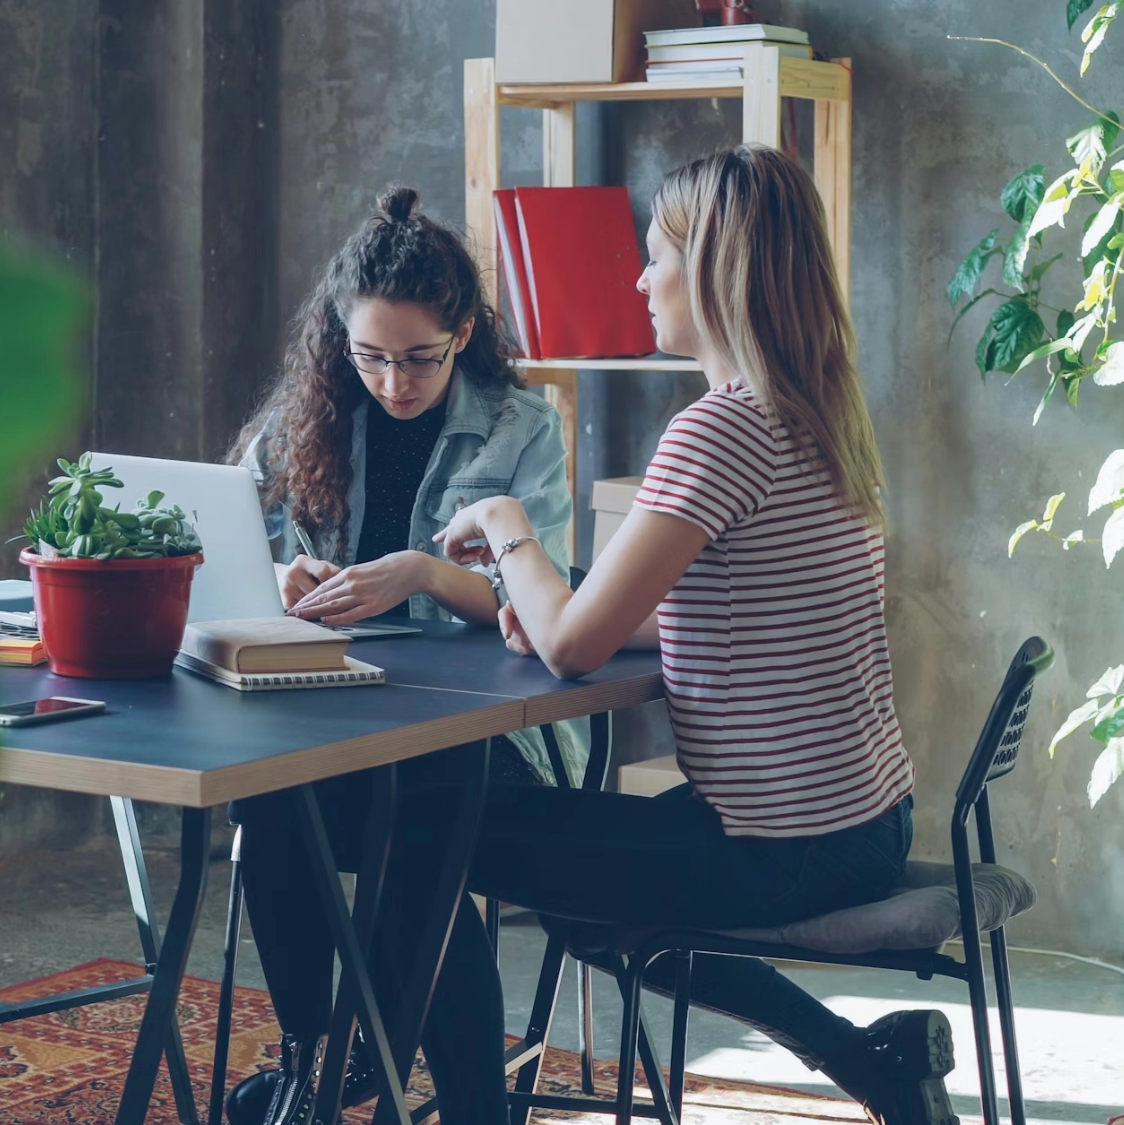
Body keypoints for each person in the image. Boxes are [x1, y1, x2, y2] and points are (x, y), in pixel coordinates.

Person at [397, 144, 958, 1125]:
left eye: (655, 254)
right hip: (862, 825)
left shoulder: (718, 431)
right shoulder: (813, 420)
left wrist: (497, 519)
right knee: (582, 899)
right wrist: (542, 603)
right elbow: (653, 614)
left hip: (773, 849)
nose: (638, 276)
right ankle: (866, 1062)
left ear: (712, 271)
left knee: (427, 834)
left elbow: (572, 645)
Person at [221, 187, 586, 1125]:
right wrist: (280, 576)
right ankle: (318, 1057)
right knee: (270, 799)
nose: (394, 382)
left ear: (462, 332)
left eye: (420, 358)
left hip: (492, 736)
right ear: (339, 338)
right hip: (344, 715)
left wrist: (422, 573)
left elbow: (537, 599)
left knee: (416, 819)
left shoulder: (521, 427)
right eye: (371, 356)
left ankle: (396, 1077)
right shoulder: (309, 417)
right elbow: (224, 544)